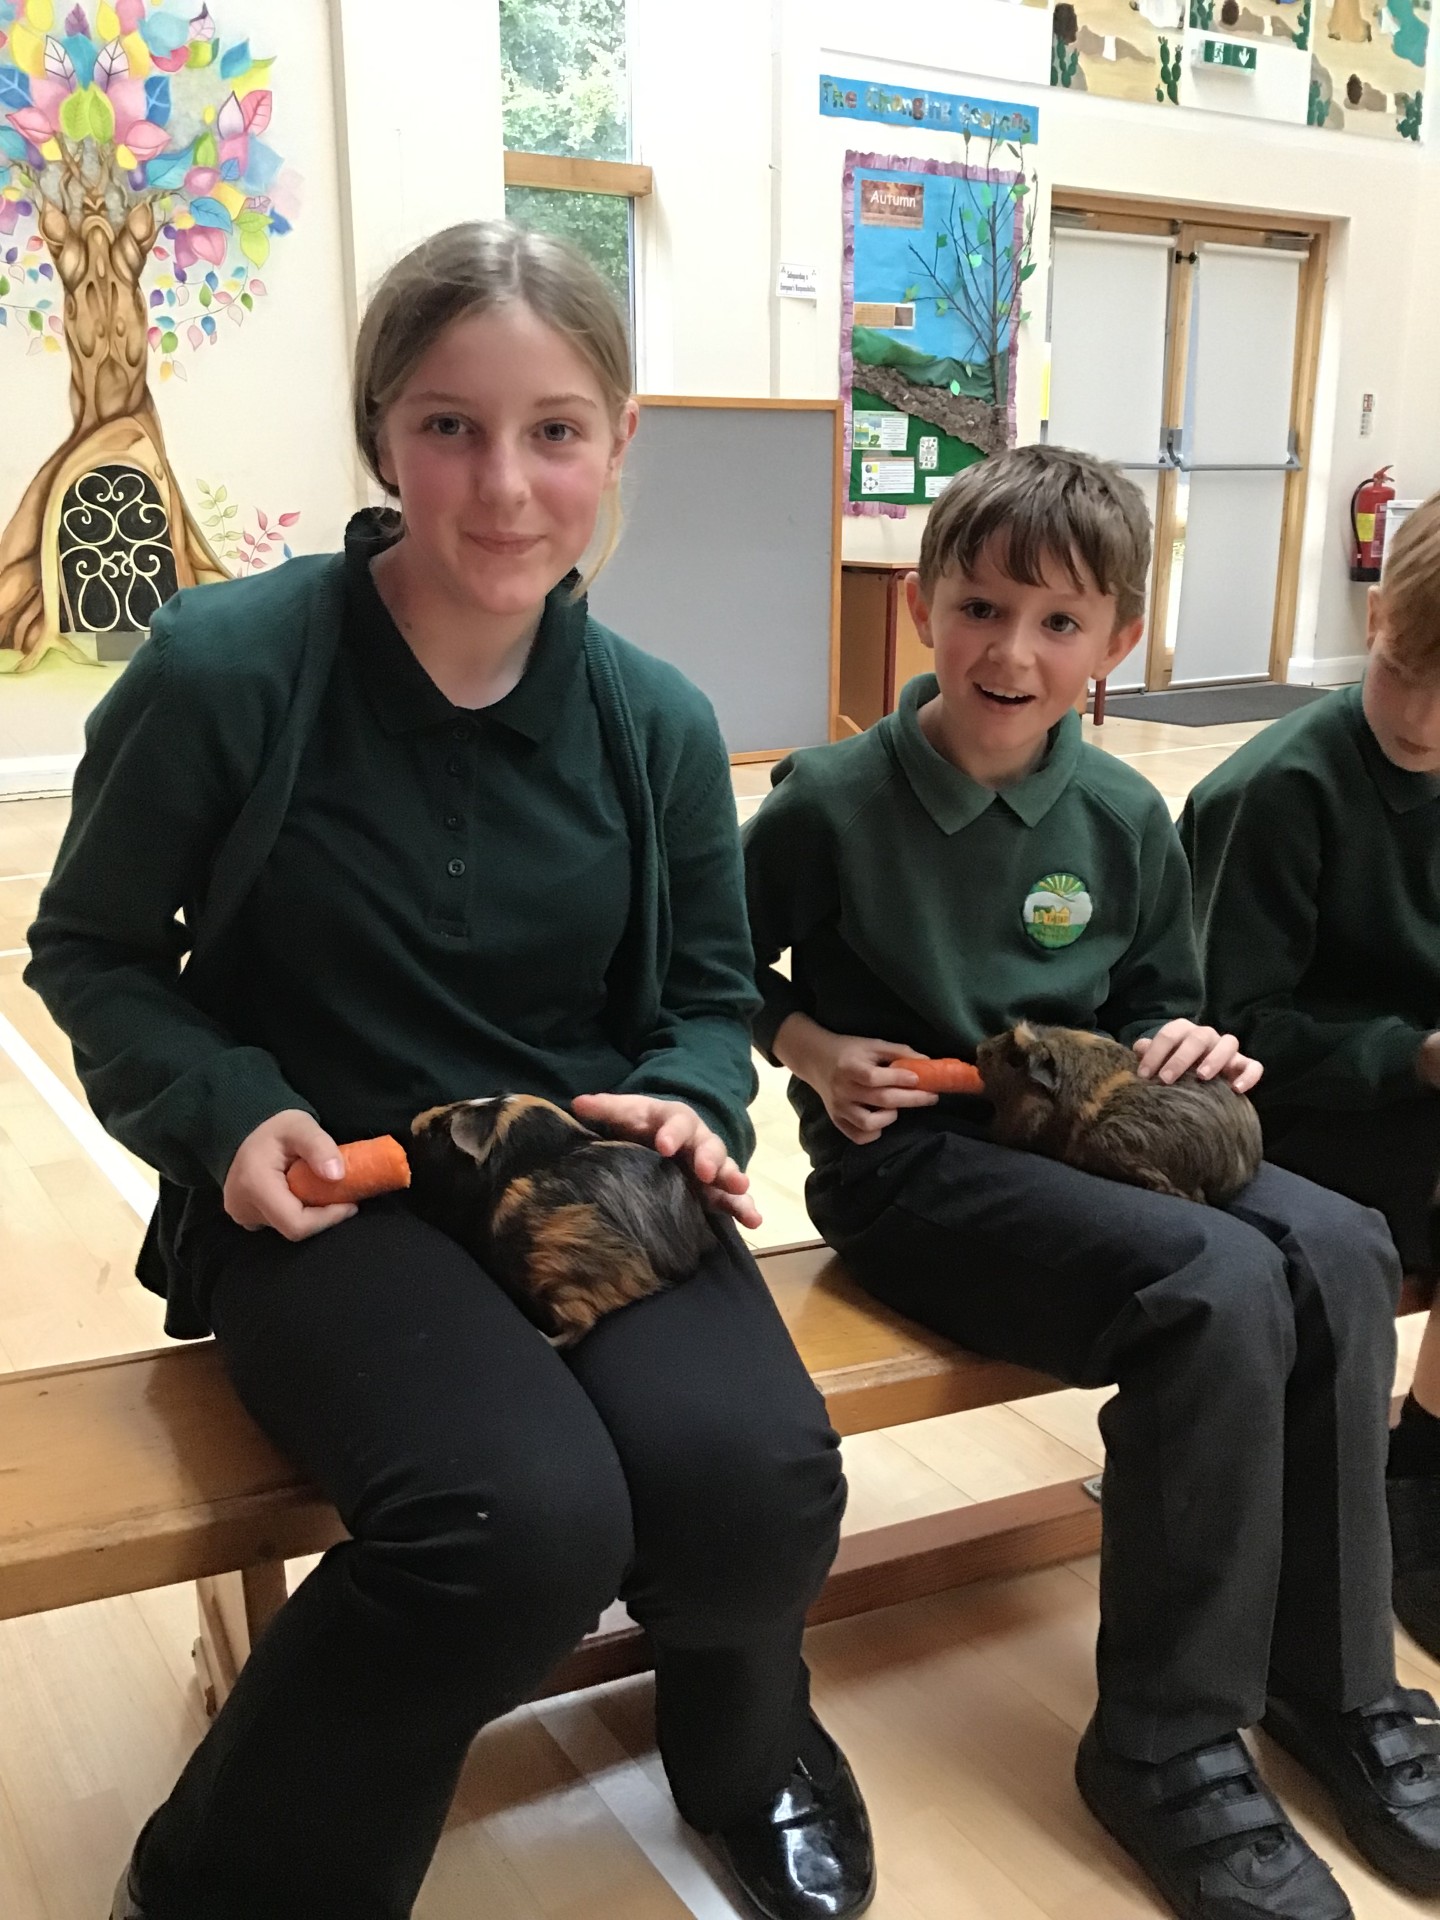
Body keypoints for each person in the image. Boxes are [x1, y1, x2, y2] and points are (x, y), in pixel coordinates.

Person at [25, 221, 873, 1920]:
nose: (503, 486)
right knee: (512, 1526)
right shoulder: (227, 671)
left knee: (757, 1481)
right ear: (381, 434)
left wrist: (692, 1093)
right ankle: (229, 1880)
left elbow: (707, 994)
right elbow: (91, 955)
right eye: (448, 426)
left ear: (619, 439)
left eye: (554, 430)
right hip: (333, 1196)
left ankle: (746, 1749)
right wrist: (224, 1108)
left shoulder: (652, 718)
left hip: (576, 1169)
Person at [742, 445, 1440, 1920]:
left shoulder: (1122, 817)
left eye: (1059, 622)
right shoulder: (830, 800)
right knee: (1218, 1283)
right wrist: (810, 1046)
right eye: (983, 609)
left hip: (1102, 1131)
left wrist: (1190, 1042)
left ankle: (1334, 1686)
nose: (1013, 653)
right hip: (911, 1164)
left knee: (1342, 1247)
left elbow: (1161, 1003)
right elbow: (714, 970)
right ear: (925, 606)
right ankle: (1165, 1743)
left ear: (1116, 641)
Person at [1181, 491, 1440, 1662]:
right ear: (1373, 621)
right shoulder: (1279, 789)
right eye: (1403, 672)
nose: (1422, 719)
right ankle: (1410, 1487)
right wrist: (1411, 1054)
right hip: (1282, 1112)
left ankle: (1415, 1460)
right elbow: (1230, 1030)